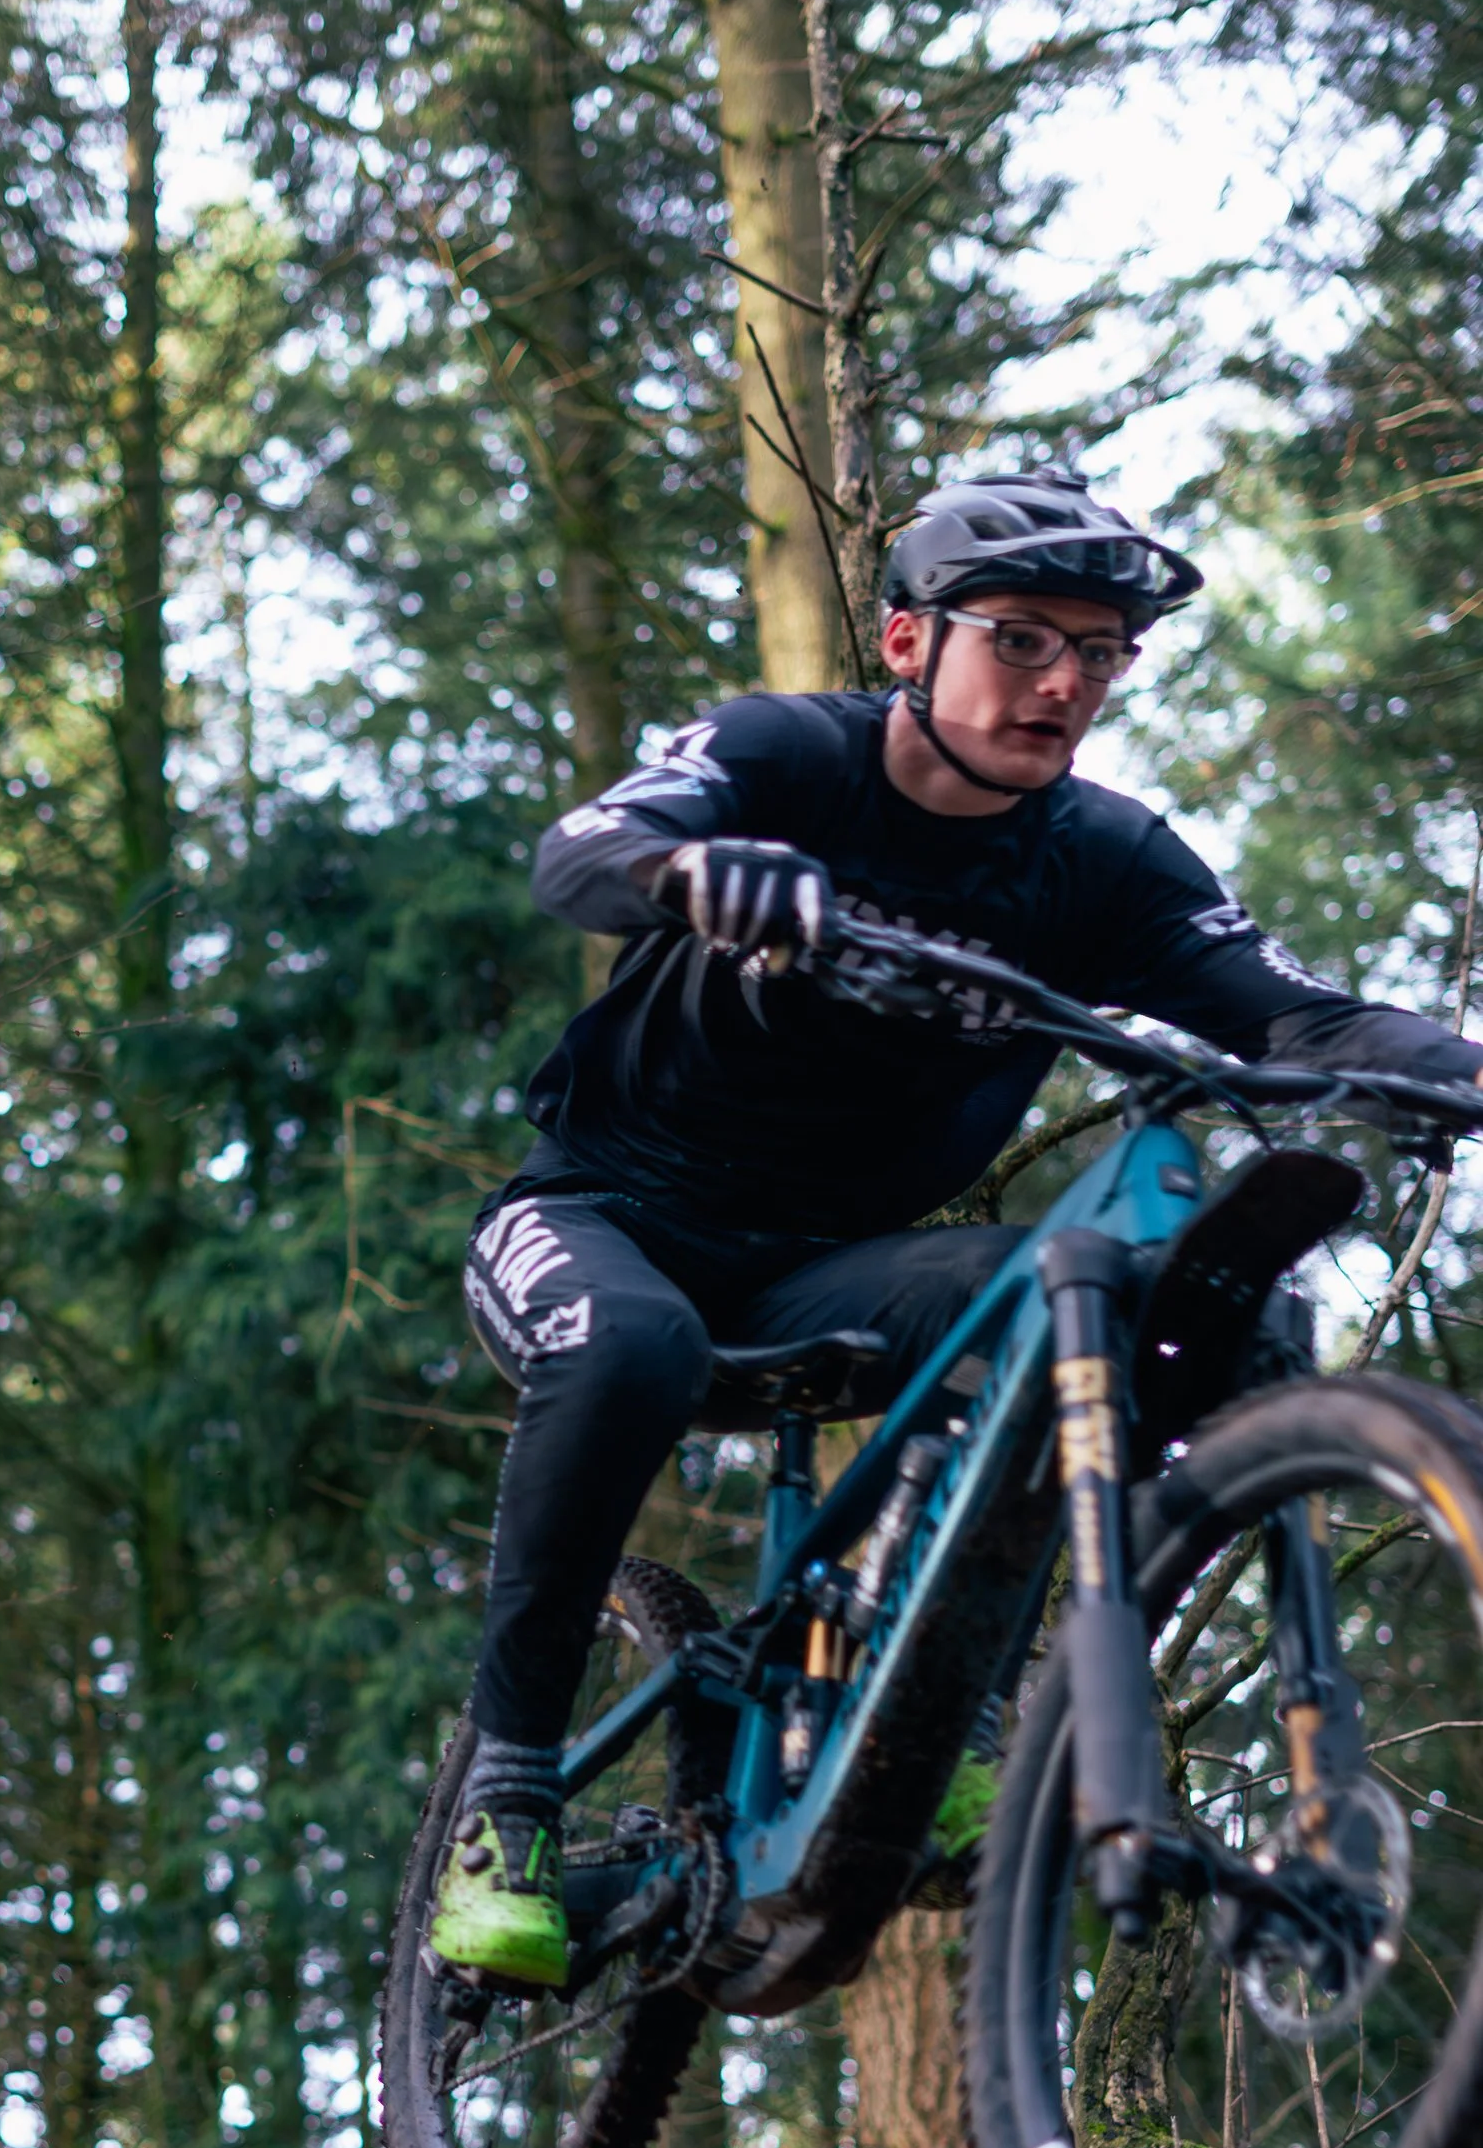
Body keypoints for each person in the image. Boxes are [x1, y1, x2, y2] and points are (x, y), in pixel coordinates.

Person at [432, 461, 1483, 1990]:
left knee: (1077, 1294)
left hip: (832, 1273)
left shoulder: (1106, 862)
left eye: (1101, 653)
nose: (1066, 682)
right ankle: (508, 1795)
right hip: (604, 1220)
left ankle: (943, 1714)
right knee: (631, 1346)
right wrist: (693, 866)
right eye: (1025, 639)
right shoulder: (784, 752)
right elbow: (582, 851)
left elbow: (1295, 1018)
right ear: (912, 639)